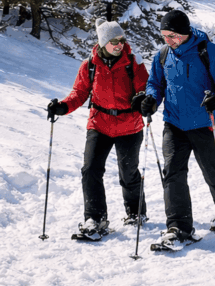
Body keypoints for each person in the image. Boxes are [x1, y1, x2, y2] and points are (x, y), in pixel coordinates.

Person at [139, 9, 215, 250]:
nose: (168, 40)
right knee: (173, 173)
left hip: (205, 122)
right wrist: (152, 100)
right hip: (174, 123)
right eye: (164, 35)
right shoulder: (163, 55)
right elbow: (155, 83)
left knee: (213, 170)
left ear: (185, 33)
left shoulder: (207, 51)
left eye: (173, 35)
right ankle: (179, 228)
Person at [47, 20, 150, 238]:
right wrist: (62, 107)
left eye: (121, 40)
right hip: (99, 124)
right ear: (103, 43)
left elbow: (145, 89)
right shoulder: (89, 65)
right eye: (114, 41)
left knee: (128, 173)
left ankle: (136, 212)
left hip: (129, 126)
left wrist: (143, 101)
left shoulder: (134, 64)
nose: (119, 45)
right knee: (90, 169)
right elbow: (79, 93)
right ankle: (95, 219)